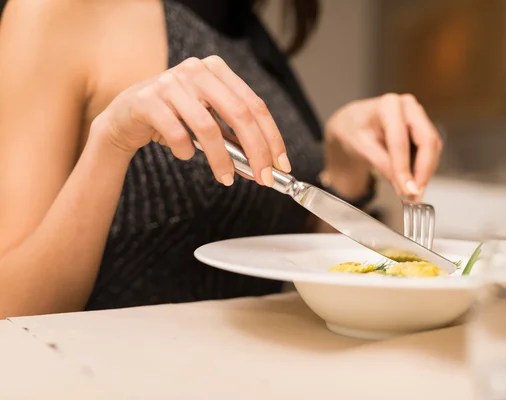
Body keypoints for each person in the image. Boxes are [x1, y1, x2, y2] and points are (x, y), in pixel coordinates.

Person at [0, 0, 442, 318]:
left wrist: (344, 169)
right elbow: (10, 308)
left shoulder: (248, 34)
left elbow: (279, 246)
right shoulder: (56, 10)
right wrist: (112, 141)